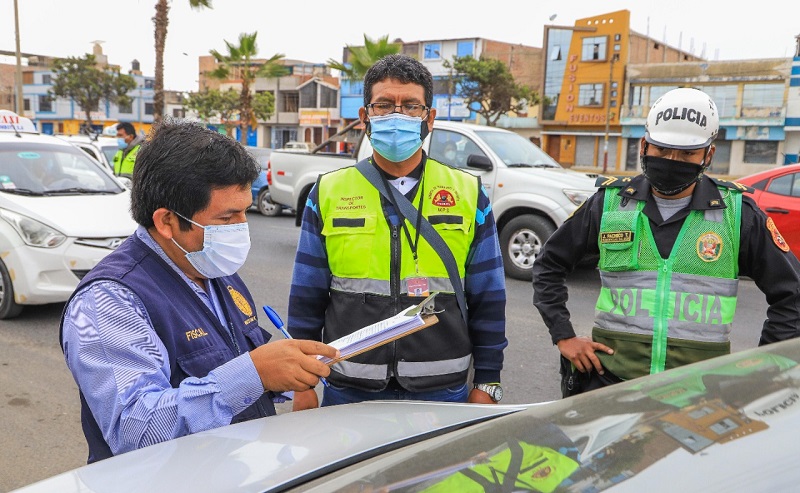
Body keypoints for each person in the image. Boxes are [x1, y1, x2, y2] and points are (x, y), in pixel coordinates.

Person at [60, 120, 338, 463]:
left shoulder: (211, 267)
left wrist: (285, 371)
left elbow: (231, 356)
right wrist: (254, 373)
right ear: (166, 221)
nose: (242, 228)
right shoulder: (110, 301)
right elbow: (135, 428)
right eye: (227, 218)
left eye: (245, 211)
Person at [532, 87, 800, 397]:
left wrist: (763, 367)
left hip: (701, 398)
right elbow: (549, 265)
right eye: (662, 150)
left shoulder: (738, 214)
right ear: (644, 145)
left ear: (708, 155)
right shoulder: (609, 203)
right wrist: (563, 335)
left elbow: (792, 295)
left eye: (687, 154)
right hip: (611, 388)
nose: (672, 160)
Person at [287, 54, 508, 410]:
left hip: (442, 388)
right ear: (365, 117)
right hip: (348, 386)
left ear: (429, 119)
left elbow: (489, 298)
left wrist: (488, 381)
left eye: (411, 106)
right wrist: (302, 383)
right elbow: (306, 298)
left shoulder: (467, 192)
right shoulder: (327, 192)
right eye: (384, 105)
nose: (397, 115)